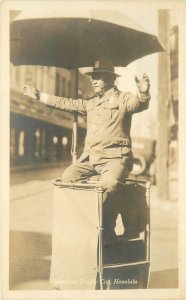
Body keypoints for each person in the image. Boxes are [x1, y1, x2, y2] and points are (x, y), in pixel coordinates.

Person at [23, 57, 151, 240]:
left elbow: (139, 104)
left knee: (110, 185)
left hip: (115, 159)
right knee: (68, 179)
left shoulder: (123, 99)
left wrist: (143, 92)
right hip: (90, 160)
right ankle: (82, 225)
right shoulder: (91, 103)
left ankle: (107, 233)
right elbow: (67, 103)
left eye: (99, 76)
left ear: (111, 79)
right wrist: (39, 95)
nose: (94, 80)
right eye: (93, 76)